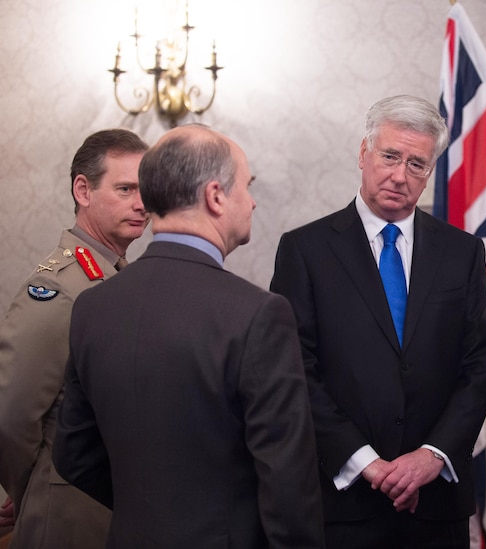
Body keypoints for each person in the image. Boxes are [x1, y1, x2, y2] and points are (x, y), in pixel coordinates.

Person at [52, 125, 324, 548]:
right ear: (216, 196)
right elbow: (289, 487)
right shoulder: (259, 314)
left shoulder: (92, 306)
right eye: (247, 187)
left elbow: (74, 456)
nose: (251, 202)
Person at [270, 95, 486, 549]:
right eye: (390, 156)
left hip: (437, 507)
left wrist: (432, 456)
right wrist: (368, 464)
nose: (400, 175)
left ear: (431, 172)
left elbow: (480, 364)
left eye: (417, 164)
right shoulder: (305, 250)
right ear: (363, 153)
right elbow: (296, 369)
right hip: (343, 503)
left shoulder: (463, 252)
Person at [0, 128, 149, 548]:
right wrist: (31, 490)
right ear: (83, 190)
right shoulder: (61, 287)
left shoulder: (115, 278)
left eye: (146, 190)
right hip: (64, 509)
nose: (142, 205)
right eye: (125, 189)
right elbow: (11, 415)